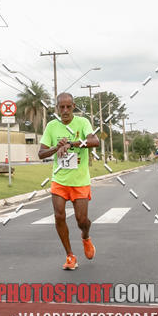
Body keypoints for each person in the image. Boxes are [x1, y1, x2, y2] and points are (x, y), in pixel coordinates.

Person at [38, 92, 100, 270]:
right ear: (57, 108)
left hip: (80, 181)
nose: (65, 110)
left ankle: (86, 237)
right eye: (61, 107)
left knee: (82, 220)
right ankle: (70, 255)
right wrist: (56, 147)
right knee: (59, 216)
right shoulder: (51, 126)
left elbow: (94, 141)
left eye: (68, 106)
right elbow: (41, 154)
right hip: (60, 180)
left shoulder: (83, 122)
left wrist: (71, 144)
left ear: (73, 107)